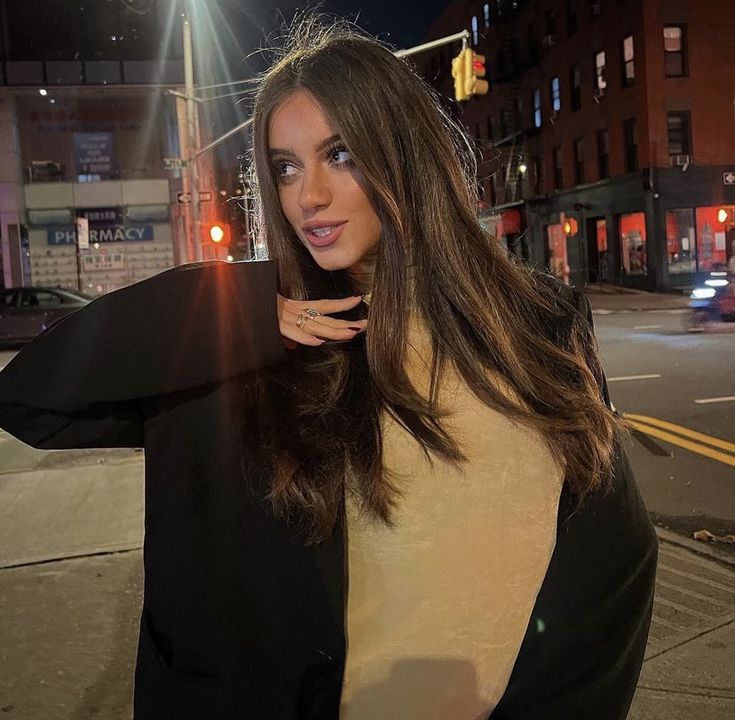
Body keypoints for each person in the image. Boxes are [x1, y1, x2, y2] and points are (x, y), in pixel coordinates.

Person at [0, 18, 657, 720]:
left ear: (403, 153)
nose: (306, 195)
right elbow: (31, 398)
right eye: (284, 166)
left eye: (338, 155)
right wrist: (236, 316)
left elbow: (611, 561)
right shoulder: (245, 345)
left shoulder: (536, 321)